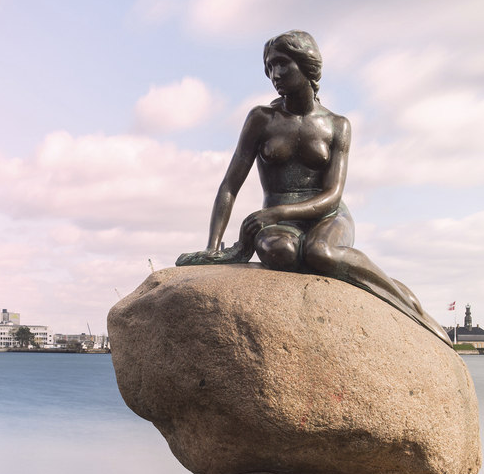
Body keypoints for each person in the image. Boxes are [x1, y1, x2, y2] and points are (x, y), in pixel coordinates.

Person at [177, 30, 449, 342]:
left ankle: (405, 301)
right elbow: (229, 185)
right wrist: (214, 246)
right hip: (281, 223)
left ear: (307, 65)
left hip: (328, 215)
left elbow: (333, 196)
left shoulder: (337, 125)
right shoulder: (261, 119)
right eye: (269, 68)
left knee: (320, 251)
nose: (274, 75)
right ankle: (359, 271)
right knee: (277, 250)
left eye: (282, 65)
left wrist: (275, 212)